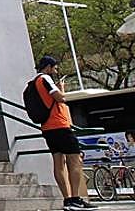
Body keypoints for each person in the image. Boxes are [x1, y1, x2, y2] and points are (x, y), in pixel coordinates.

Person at [32, 55, 97, 210]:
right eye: (54, 68)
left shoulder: (34, 83)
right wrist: (61, 89)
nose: (55, 71)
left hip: (47, 127)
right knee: (75, 159)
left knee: (58, 162)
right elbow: (60, 98)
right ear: (48, 67)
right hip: (59, 124)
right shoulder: (45, 79)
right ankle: (75, 198)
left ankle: (67, 199)